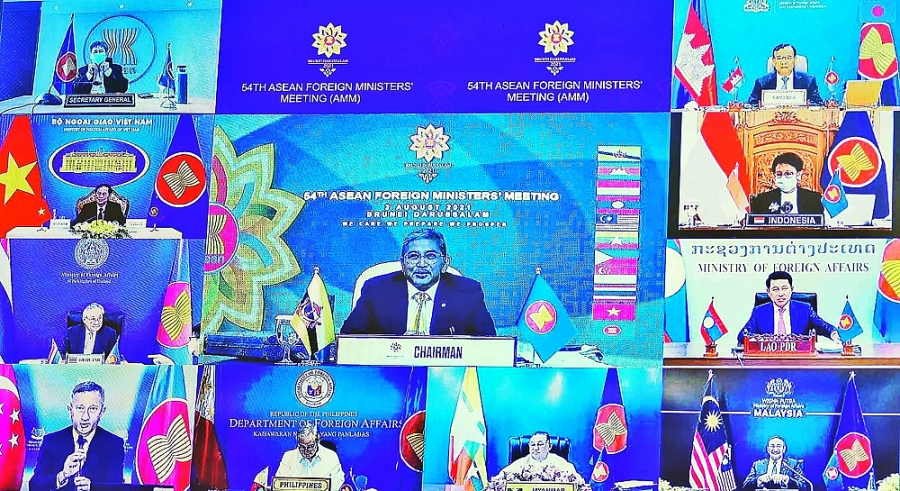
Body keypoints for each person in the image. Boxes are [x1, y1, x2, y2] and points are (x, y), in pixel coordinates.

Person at [341, 228, 496, 336]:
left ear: (444, 264)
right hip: (387, 370)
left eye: (430, 256)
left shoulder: (467, 292)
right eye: (414, 256)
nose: (421, 264)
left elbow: (487, 342)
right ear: (403, 264)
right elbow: (350, 338)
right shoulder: (376, 290)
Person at [30, 381, 125, 491]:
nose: (85, 417)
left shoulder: (114, 444)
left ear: (101, 412)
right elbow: (34, 485)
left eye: (93, 409)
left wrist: (92, 487)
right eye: (80, 408)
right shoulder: (51, 441)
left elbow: (117, 487)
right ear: (70, 410)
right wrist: (62, 475)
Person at [737, 271, 841, 344]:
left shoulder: (805, 309)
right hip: (768, 360)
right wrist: (758, 341)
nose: (780, 294)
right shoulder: (760, 312)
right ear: (768, 292)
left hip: (798, 360)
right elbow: (743, 336)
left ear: (791, 290)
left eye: (784, 288)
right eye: (775, 289)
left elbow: (822, 326)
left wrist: (833, 334)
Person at [494, 432, 587, 485]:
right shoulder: (520, 464)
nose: (535, 448)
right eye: (532, 445)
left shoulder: (560, 463)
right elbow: (499, 479)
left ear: (549, 446)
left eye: (540, 444)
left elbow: (577, 482)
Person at [274, 423, 345, 490]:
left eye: (310, 446)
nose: (306, 451)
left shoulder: (331, 456)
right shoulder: (288, 457)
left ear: (317, 441)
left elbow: (338, 483)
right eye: (302, 447)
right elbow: (279, 484)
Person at [748, 44, 824, 106]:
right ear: (773, 61)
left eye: (788, 58)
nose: (784, 62)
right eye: (779, 58)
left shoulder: (808, 81)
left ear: (794, 60)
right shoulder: (762, 83)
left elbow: (818, 104)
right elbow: (752, 105)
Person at [749, 153, 824, 215]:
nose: (783, 177)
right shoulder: (762, 200)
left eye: (788, 174)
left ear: (798, 175)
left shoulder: (814, 199)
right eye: (779, 174)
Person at [742, 436, 809, 491]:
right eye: (772, 446)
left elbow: (804, 486)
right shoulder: (758, 465)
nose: (775, 449)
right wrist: (758, 480)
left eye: (779, 446)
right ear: (768, 449)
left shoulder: (794, 464)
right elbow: (744, 486)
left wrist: (788, 480)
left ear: (784, 449)